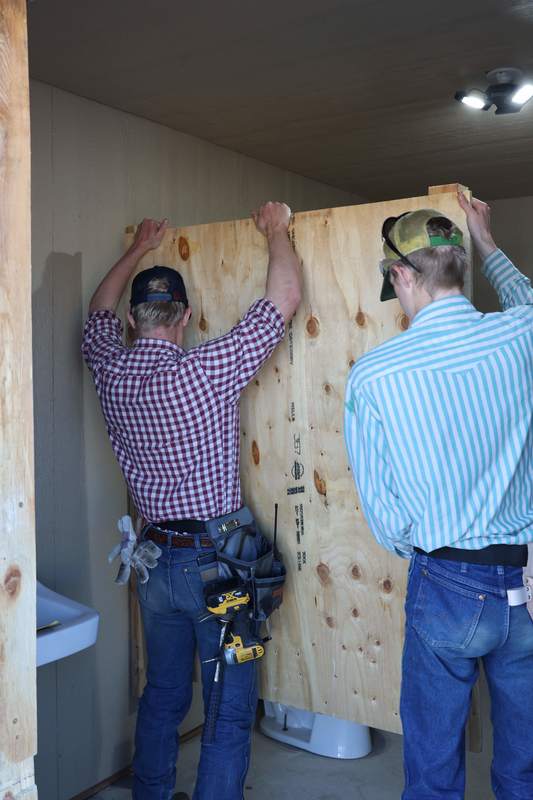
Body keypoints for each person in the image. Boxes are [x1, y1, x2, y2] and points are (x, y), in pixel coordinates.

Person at [82, 202, 301, 800]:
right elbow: (283, 298)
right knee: (229, 708)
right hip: (220, 562)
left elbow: (95, 312)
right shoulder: (207, 370)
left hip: (154, 563)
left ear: (135, 319)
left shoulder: (111, 372)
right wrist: (277, 231)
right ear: (183, 318)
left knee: (163, 697)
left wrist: (135, 250)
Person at [344, 193, 533, 800]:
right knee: (524, 766)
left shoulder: (375, 375)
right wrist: (487, 239)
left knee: (432, 772)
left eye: (394, 283)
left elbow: (386, 515)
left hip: (447, 578)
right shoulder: (520, 336)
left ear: (401, 275)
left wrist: (425, 538)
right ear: (457, 266)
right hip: (524, 579)